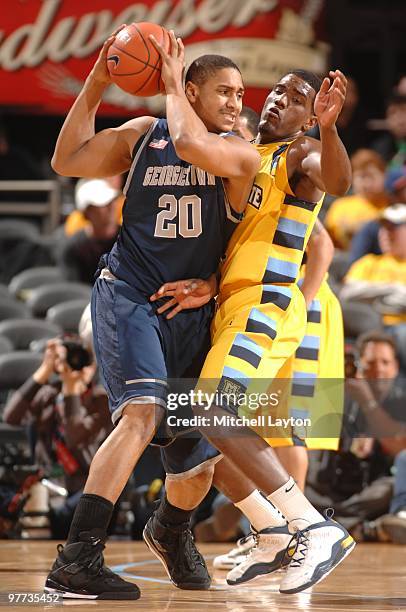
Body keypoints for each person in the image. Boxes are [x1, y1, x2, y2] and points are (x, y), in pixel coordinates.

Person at [44, 27, 260, 600]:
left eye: (241, 94)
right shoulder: (144, 135)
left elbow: (195, 154)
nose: (237, 103)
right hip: (132, 293)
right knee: (141, 413)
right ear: (190, 91)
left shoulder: (240, 151)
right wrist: (95, 83)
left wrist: (211, 282)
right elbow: (66, 160)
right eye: (224, 92)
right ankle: (78, 557)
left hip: (193, 309)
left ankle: (169, 529)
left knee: (196, 459)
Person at [149, 59, 354, 594]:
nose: (276, 99)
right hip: (230, 304)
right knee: (199, 426)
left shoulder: (299, 155)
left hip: (267, 304)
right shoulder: (247, 157)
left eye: (294, 98)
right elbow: (234, 249)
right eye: (276, 91)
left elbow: (338, 180)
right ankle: (269, 531)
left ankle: (311, 526)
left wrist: (328, 131)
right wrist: (209, 286)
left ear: (310, 119)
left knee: (220, 411)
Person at [2, 338, 112, 539]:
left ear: (94, 364)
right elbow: (10, 417)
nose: (78, 365)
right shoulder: (48, 394)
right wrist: (44, 369)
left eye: (84, 360)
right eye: (70, 359)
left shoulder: (101, 401)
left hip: (83, 491)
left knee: (97, 500)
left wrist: (71, 391)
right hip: (47, 489)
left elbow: (74, 437)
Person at [58, 178, 121, 284]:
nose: (110, 207)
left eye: (112, 201)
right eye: (103, 204)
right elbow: (74, 290)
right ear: (86, 213)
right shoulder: (73, 248)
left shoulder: (129, 238)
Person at [325, 149, 389, 249]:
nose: (366, 183)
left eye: (371, 176)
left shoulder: (392, 206)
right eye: (361, 177)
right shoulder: (340, 206)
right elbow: (328, 242)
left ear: (383, 176)